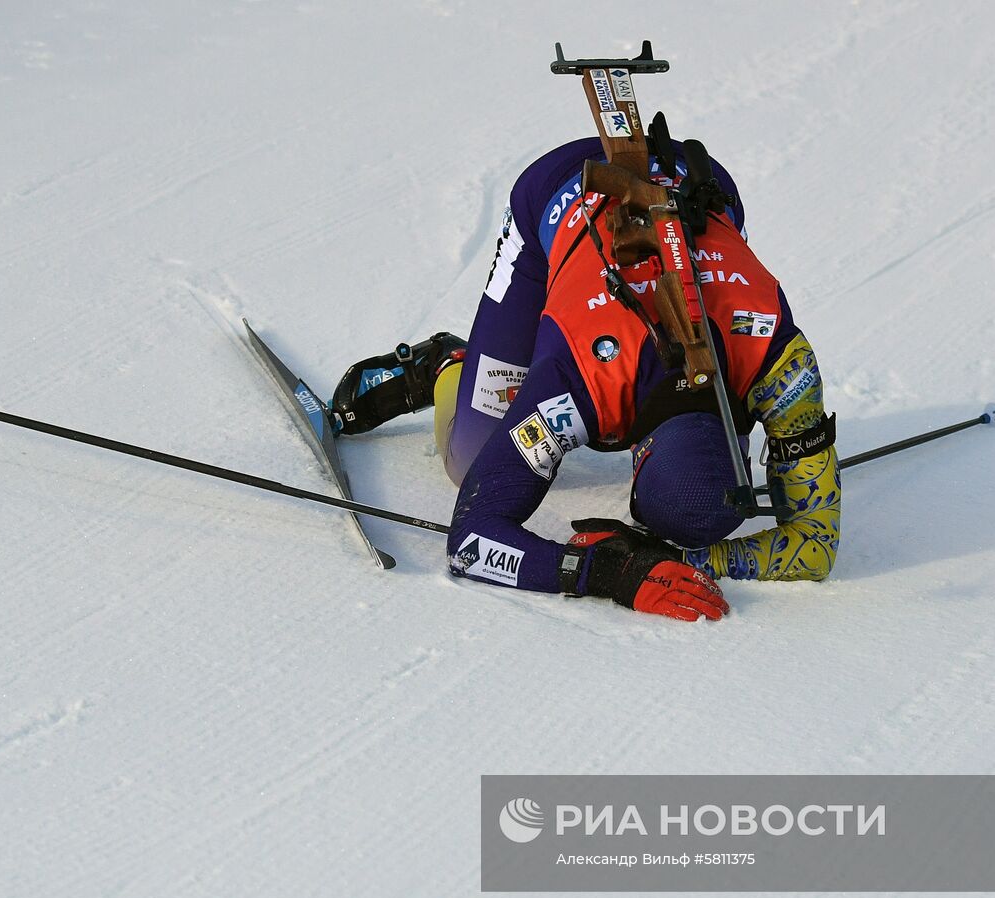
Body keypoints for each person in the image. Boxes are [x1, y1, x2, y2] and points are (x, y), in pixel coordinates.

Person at [332, 136, 839, 621]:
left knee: (694, 497)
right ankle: (448, 366)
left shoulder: (778, 363)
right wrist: (610, 573)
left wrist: (684, 561)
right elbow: (470, 542)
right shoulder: (578, 386)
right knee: (469, 460)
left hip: (700, 185)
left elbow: (815, 551)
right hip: (558, 192)